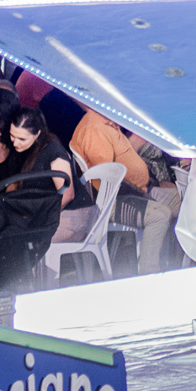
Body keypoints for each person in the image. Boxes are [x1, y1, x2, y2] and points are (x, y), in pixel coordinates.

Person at [70, 107, 183, 271]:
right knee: (159, 215)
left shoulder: (108, 122)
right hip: (114, 200)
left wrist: (148, 183)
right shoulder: (94, 129)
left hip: (139, 189)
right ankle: (149, 273)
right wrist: (141, 194)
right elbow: (108, 178)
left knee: (184, 202)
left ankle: (178, 265)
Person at [0, 109, 94, 242]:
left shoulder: (53, 151)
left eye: (21, 138)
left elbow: (67, 195)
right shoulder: (27, 149)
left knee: (24, 244)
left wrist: (38, 216)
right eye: (12, 136)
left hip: (73, 217)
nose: (15, 142)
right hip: (55, 215)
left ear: (37, 134)